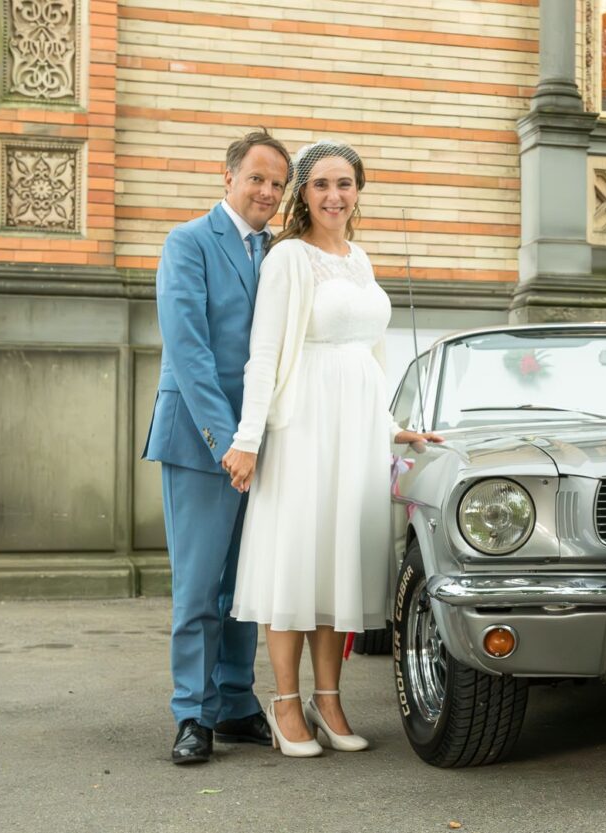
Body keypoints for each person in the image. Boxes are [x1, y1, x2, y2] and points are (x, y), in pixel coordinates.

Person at [221, 139, 442, 757]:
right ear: (303, 194)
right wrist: (248, 439)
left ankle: (329, 699)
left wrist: (390, 426)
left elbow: (371, 355)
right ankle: (286, 702)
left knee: (337, 563)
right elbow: (263, 354)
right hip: (302, 427)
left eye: (344, 184)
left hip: (355, 432)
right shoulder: (288, 258)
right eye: (320, 185)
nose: (333, 196)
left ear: (357, 191)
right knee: (297, 559)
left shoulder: (361, 260)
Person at [142, 130, 292, 764]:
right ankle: (192, 714)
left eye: (277, 184)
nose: (266, 191)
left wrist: (259, 439)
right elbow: (190, 352)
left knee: (244, 585)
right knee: (201, 587)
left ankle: (235, 703)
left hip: (260, 442)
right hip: (202, 439)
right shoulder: (188, 243)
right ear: (227, 178)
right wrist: (228, 441)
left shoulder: (279, 252)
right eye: (256, 178)